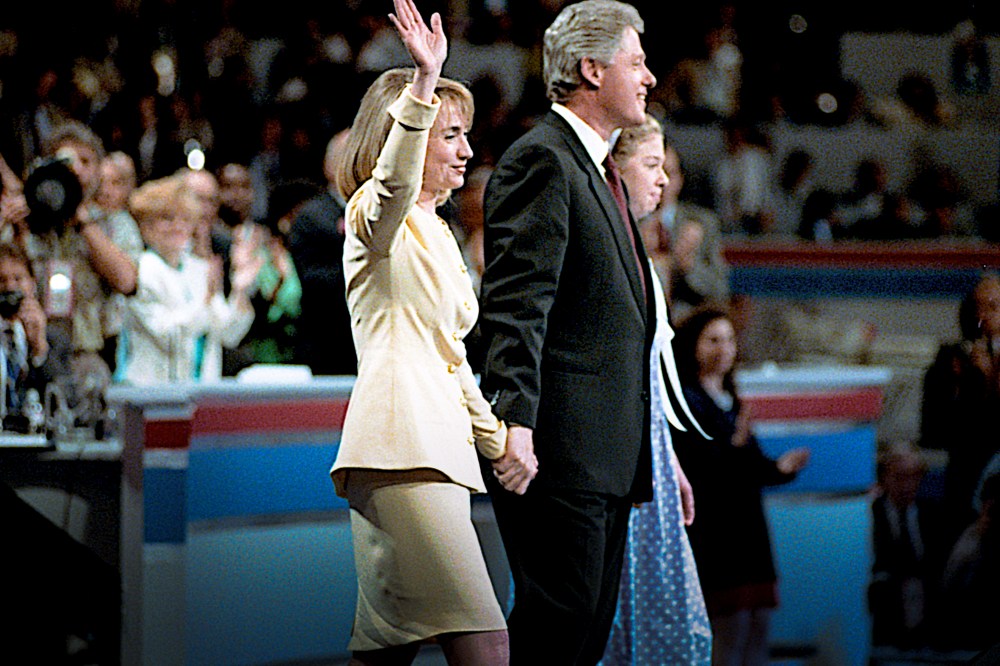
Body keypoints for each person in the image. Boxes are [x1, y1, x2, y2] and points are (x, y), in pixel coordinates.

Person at [328, 1, 510, 663]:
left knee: (384, 650)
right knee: (486, 640)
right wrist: (424, 83)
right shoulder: (372, 215)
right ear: (405, 132)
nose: (465, 150)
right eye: (449, 133)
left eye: (464, 135)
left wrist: (495, 442)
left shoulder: (437, 232)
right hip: (403, 447)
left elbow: (450, 354)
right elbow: (393, 181)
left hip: (433, 449)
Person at [477, 1, 657, 662]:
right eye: (636, 62)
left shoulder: (598, 169)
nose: (650, 78)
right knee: (560, 631)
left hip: (605, 456)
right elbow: (518, 306)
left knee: (584, 636)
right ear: (591, 68)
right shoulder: (543, 161)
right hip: (558, 451)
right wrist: (515, 421)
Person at [601, 114, 713, 666]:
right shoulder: (606, 250)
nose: (663, 180)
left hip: (649, 464)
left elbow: (648, 379)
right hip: (614, 468)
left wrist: (668, 461)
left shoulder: (639, 257)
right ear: (613, 171)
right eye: (651, 165)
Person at [670, 306, 810, 666]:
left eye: (730, 340)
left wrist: (781, 468)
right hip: (718, 533)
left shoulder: (732, 400)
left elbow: (751, 465)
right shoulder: (688, 402)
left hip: (750, 532)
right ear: (694, 346)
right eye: (714, 340)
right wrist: (735, 444)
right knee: (729, 634)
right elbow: (701, 468)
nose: (724, 348)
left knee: (758, 626)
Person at [119, 174, 258, 384]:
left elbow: (228, 334)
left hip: (202, 391)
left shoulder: (199, 269)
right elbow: (168, 335)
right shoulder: (141, 269)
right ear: (145, 226)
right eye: (167, 218)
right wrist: (206, 301)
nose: (177, 226)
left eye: (185, 219)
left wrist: (240, 289)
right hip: (150, 390)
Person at [920, 272, 1000, 549]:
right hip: (968, 470)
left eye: (993, 306)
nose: (984, 315)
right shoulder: (954, 357)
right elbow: (937, 425)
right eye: (979, 306)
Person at [287, 128, 357, 376]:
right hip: (328, 343)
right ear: (331, 165)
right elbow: (311, 280)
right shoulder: (311, 216)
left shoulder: (377, 211)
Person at [868, 443, 948, 651]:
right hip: (882, 620)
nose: (907, 485)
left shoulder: (936, 516)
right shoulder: (869, 516)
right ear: (884, 477)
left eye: (914, 476)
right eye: (900, 477)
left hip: (929, 619)